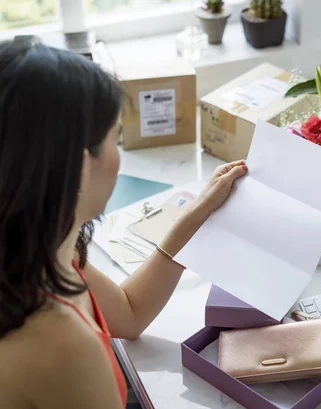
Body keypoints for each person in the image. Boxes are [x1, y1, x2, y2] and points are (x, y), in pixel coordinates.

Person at [0, 39, 247, 408]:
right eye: (115, 140)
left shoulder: (36, 248)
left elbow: (130, 313)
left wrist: (199, 212)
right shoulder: (63, 345)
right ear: (78, 167)